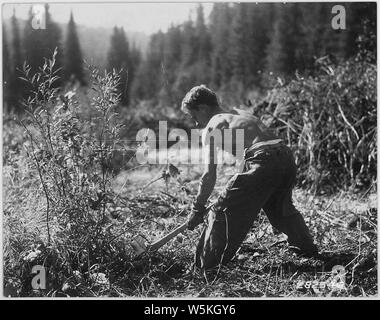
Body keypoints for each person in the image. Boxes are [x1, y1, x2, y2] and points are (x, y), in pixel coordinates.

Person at [181, 85, 318, 270]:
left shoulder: (213, 124)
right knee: (280, 210)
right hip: (285, 156)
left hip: (263, 159)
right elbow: (249, 158)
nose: (196, 124)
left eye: (194, 117)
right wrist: (232, 192)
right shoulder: (239, 114)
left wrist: (197, 208)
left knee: (221, 213)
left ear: (203, 109)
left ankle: (206, 267)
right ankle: (307, 250)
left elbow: (209, 174)